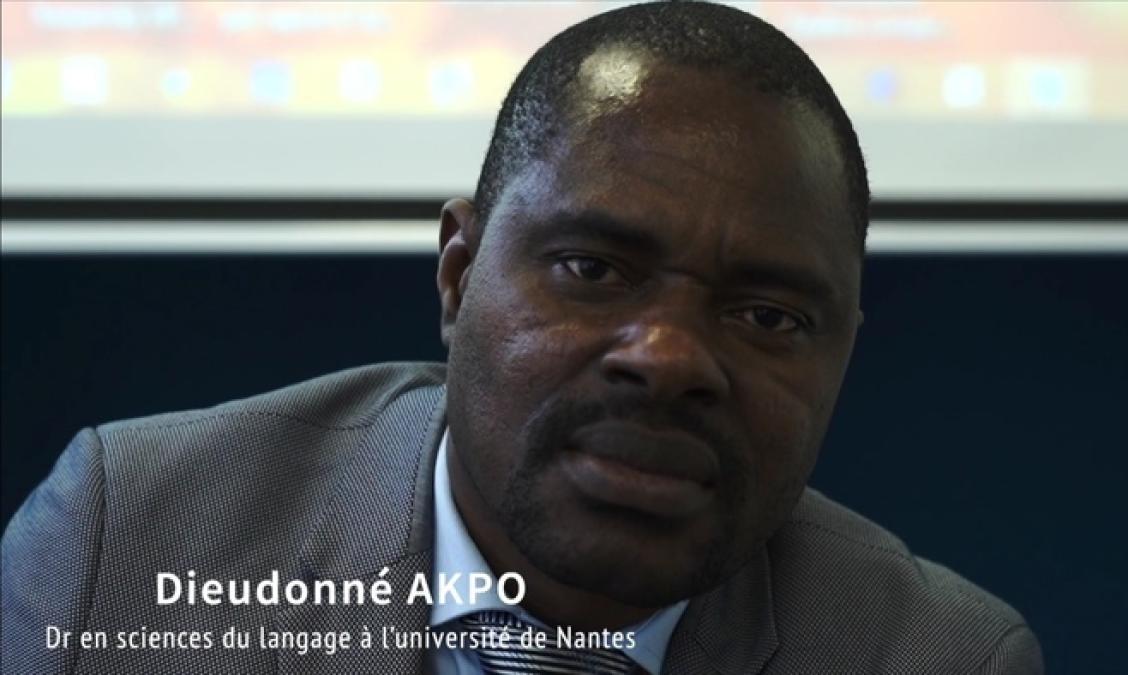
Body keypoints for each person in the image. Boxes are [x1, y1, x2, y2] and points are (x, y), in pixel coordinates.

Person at [2, 2, 1043, 673]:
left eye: (767, 317)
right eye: (592, 269)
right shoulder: (128, 541)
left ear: (842, 357)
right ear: (459, 275)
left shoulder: (934, 656)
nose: (668, 358)